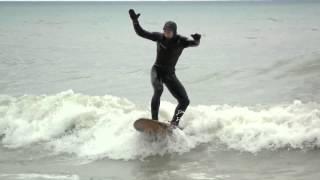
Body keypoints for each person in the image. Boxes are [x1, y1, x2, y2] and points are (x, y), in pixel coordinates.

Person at [128, 9, 201, 128]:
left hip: (170, 74)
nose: (166, 32)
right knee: (158, 89)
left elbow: (194, 44)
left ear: (174, 31)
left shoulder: (181, 41)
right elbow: (141, 33)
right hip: (157, 70)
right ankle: (154, 121)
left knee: (185, 101)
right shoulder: (159, 37)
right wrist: (135, 21)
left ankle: (175, 122)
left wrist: (197, 40)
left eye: (169, 31)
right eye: (165, 30)